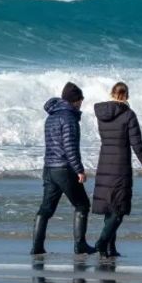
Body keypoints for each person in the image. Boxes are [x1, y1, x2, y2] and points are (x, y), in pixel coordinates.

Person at [30, 81, 97, 256]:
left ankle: (37, 247)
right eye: (80, 100)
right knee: (82, 204)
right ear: (75, 100)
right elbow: (69, 147)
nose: (81, 103)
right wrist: (80, 170)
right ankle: (80, 246)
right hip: (64, 169)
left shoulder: (51, 117)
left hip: (49, 168)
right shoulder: (69, 118)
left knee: (46, 209)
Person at [92, 82, 142, 258]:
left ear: (111, 93)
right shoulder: (128, 115)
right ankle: (101, 243)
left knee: (109, 208)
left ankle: (109, 249)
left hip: (104, 161)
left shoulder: (101, 114)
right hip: (120, 165)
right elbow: (136, 144)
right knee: (118, 210)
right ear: (127, 96)